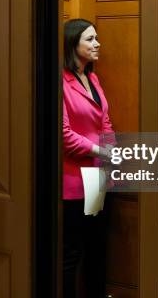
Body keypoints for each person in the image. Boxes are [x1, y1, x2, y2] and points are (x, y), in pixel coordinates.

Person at [62, 18, 115, 298]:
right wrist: (99, 150)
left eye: (97, 38)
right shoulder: (60, 81)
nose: (97, 44)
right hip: (72, 181)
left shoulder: (92, 78)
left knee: (96, 248)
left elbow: (104, 120)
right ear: (73, 44)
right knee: (71, 253)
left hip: (97, 176)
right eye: (90, 39)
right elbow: (63, 134)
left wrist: (111, 148)